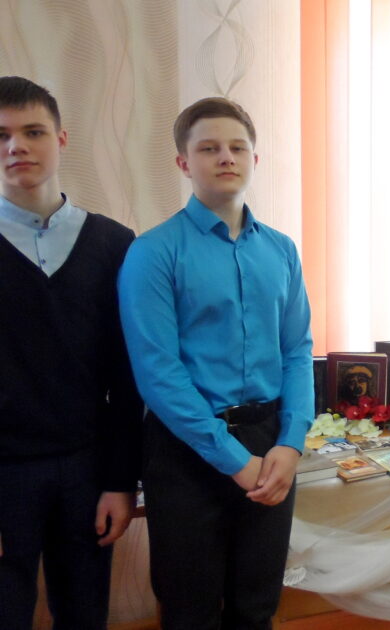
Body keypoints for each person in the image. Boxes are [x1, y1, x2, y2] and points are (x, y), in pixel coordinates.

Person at [118, 97, 313, 629]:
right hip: (186, 448)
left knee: (257, 604)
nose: (226, 157)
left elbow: (297, 350)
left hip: (269, 442)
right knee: (190, 609)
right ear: (184, 162)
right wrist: (233, 460)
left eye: (237, 147)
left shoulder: (282, 250)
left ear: (255, 159)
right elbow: (158, 373)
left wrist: (291, 441)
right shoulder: (153, 252)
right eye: (209, 148)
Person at [0, 75, 143, 630]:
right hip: (5, 473)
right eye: (2, 135)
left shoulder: (115, 244)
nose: (17, 146)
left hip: (87, 469)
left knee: (85, 615)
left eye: (33, 131)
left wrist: (120, 481)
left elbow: (128, 378)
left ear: (61, 139)